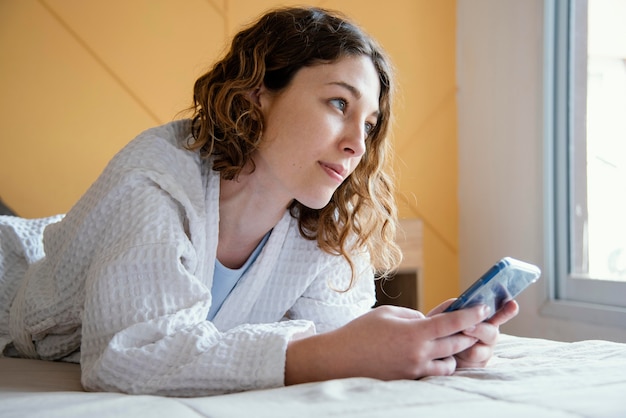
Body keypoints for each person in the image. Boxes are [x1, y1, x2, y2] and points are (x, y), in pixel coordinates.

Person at [0, 6, 518, 396]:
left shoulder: (329, 222)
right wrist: (331, 353)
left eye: (370, 124)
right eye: (339, 103)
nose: (357, 144)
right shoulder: (156, 181)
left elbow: (337, 339)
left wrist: (430, 342)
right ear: (256, 93)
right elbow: (128, 357)